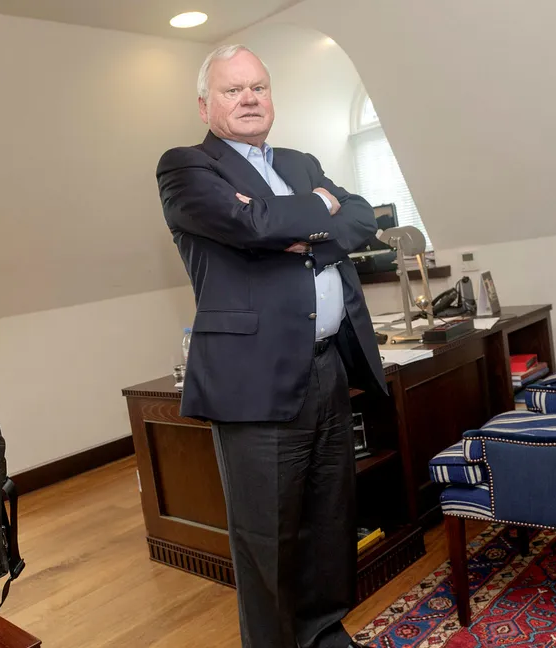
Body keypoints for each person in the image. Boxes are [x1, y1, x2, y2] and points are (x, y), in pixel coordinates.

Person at [155, 44, 387, 648]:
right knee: (268, 536)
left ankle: (325, 634)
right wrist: (315, 211)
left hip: (328, 368)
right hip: (253, 378)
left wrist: (301, 230)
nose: (249, 98)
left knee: (330, 520)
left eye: (258, 86)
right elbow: (250, 225)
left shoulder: (299, 162)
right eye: (232, 90)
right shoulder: (187, 167)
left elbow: (362, 216)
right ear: (205, 105)